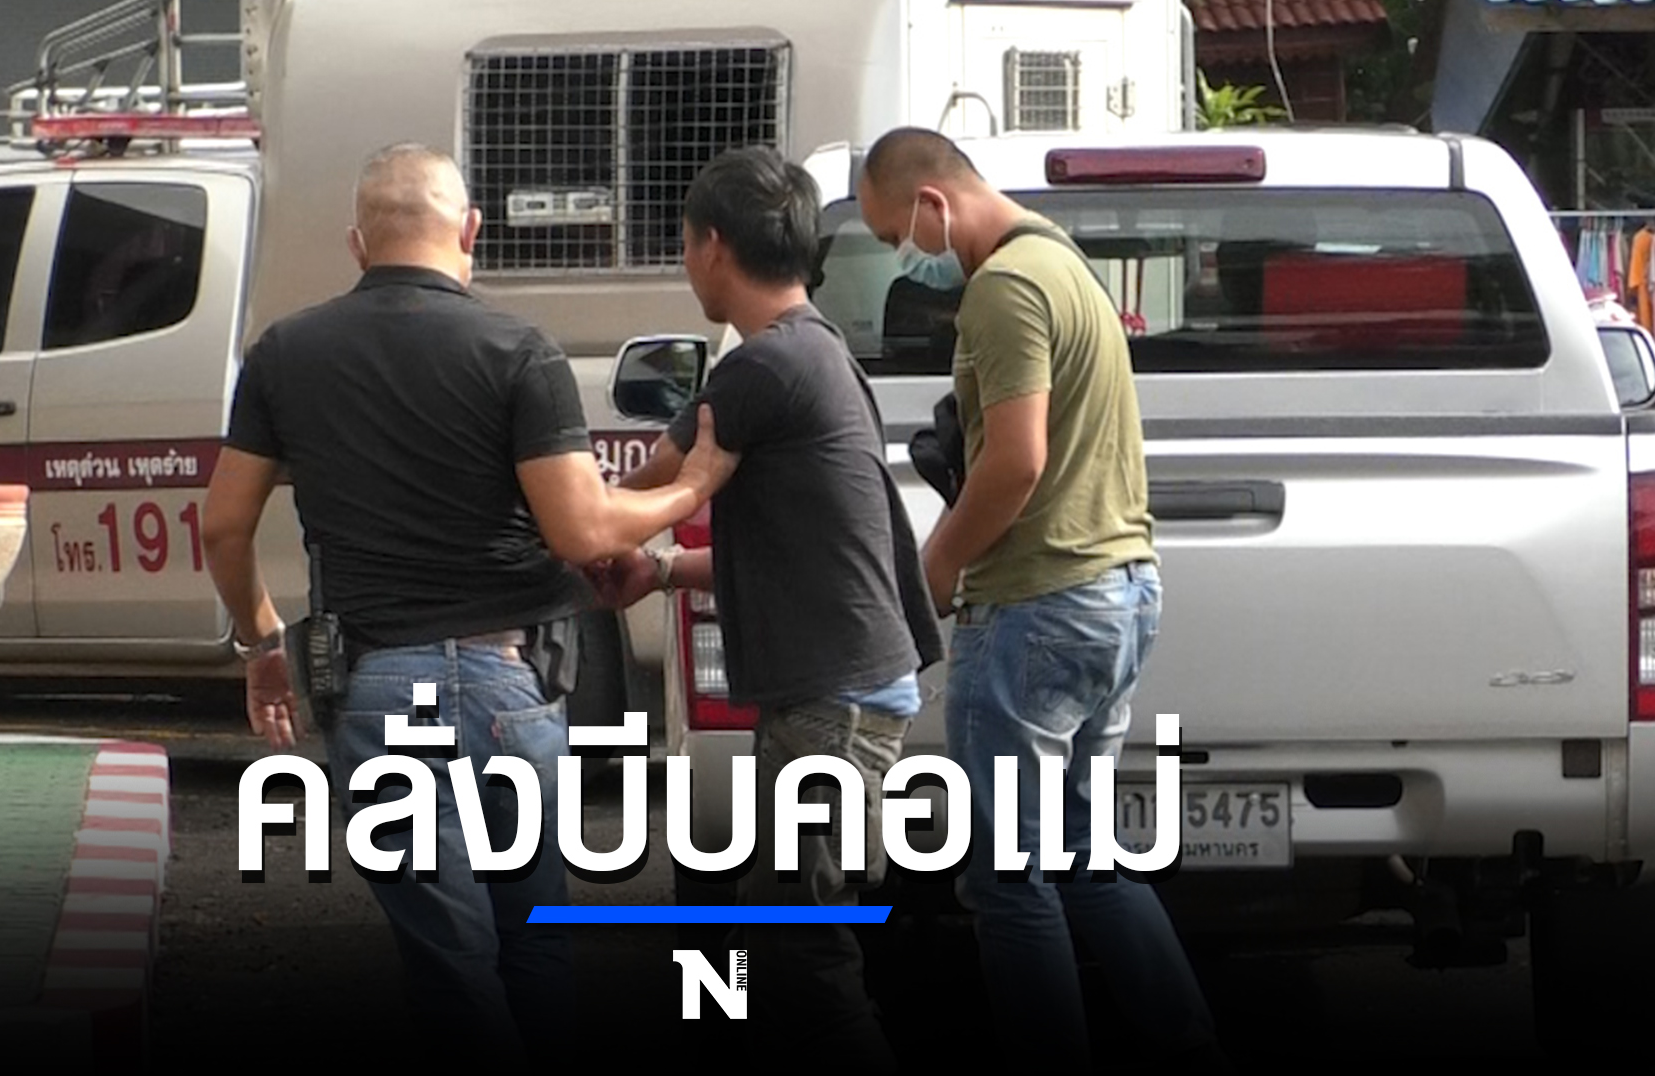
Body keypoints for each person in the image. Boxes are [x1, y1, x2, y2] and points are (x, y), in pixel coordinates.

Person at [200, 143, 735, 1067]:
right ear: (471, 231)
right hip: (510, 684)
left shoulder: (285, 354)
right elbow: (580, 530)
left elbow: (222, 527)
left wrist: (263, 644)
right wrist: (691, 489)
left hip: (375, 687)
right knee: (536, 941)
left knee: (452, 964)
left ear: (358, 243)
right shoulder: (518, 349)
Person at [855, 126, 1225, 1070]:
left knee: (1008, 882)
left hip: (1037, 607)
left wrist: (935, 572)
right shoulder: (1064, 264)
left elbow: (1017, 463)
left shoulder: (1005, 288)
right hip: (1117, 595)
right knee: (1086, 862)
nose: (904, 256)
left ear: (932, 204)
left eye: (896, 235)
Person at [597, 145, 944, 1071]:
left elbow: (633, 499)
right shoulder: (815, 351)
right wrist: (661, 573)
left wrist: (574, 524)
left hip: (834, 703)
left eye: (683, 243)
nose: (685, 262)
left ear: (713, 245)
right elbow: (801, 555)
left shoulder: (761, 370)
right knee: (757, 921)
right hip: (839, 690)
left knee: (799, 943)